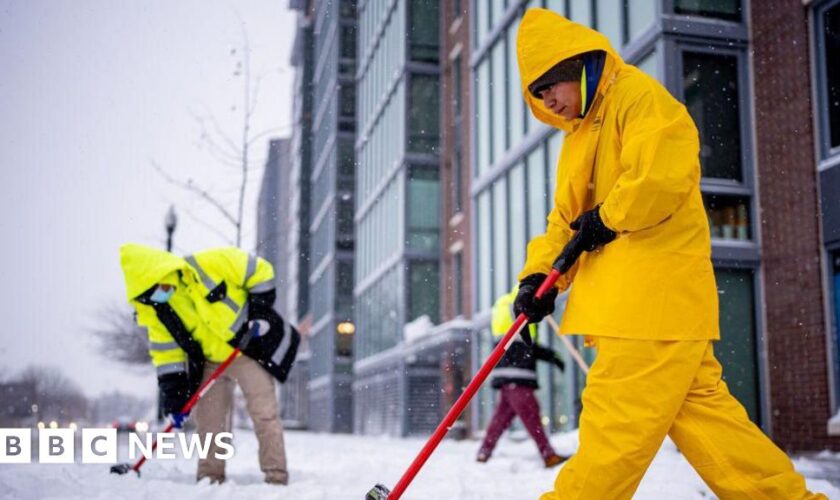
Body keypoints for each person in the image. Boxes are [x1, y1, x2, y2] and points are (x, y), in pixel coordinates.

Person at [512, 9, 825, 500]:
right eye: (537, 92)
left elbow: (661, 176)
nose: (547, 98)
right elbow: (565, 224)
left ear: (579, 66)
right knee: (713, 428)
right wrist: (538, 279)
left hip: (646, 304)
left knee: (611, 436)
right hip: (654, 311)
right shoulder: (578, 139)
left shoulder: (637, 99)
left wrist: (608, 217)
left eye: (551, 83)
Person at [119, 243, 299, 485]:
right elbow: (167, 356)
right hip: (210, 363)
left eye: (158, 288)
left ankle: (276, 477)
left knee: (264, 414)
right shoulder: (160, 311)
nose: (158, 296)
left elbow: (261, 271)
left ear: (165, 271)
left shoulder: (211, 263)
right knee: (209, 424)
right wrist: (175, 401)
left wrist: (258, 314)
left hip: (246, 353)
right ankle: (210, 478)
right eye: (151, 295)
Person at [476, 286, 567, 468]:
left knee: (501, 418)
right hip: (517, 375)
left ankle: (484, 452)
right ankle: (548, 454)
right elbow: (526, 347)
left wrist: (551, 356)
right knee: (531, 414)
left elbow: (523, 346)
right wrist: (552, 356)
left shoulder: (505, 304)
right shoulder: (519, 305)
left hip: (508, 374)